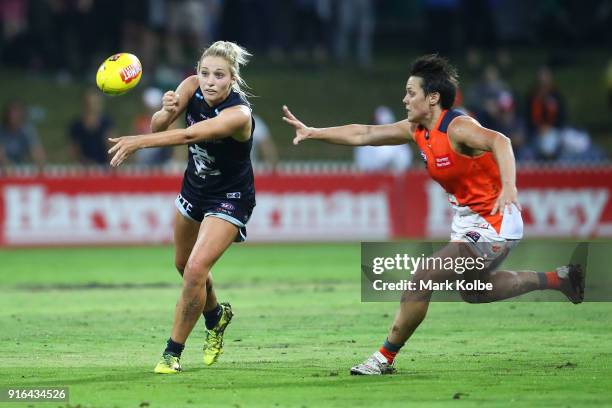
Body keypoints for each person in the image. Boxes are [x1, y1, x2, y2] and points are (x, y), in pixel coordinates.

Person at [282, 54, 585, 375]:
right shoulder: (418, 129)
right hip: (468, 223)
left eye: (411, 92)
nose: (405, 99)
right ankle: (559, 279)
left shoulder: (457, 127)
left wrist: (510, 187)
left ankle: (384, 357)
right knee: (474, 292)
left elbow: (501, 141)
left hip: (495, 222)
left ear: (433, 98)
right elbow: (365, 134)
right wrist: (314, 132)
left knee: (423, 276)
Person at [108, 41, 256, 374]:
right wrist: (165, 110)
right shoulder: (190, 87)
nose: (209, 81)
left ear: (232, 79)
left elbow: (189, 136)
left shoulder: (239, 114)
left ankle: (171, 353)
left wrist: (137, 142)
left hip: (230, 196)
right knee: (182, 264)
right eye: (204, 73)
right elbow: (161, 126)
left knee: (195, 270)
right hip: (195, 188)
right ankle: (217, 316)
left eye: (219, 75)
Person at [68, 89, 115, 165]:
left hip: (105, 166)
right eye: (91, 102)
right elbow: (74, 149)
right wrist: (84, 161)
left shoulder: (106, 123)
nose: (93, 105)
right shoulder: (77, 125)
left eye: (96, 102)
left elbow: (111, 145)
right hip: (84, 166)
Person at [0, 100, 46, 170]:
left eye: (17, 114)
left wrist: (40, 164)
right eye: (12, 114)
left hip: (19, 165)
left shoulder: (27, 130)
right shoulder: (2, 130)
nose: (14, 117)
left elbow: (36, 150)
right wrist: (7, 165)